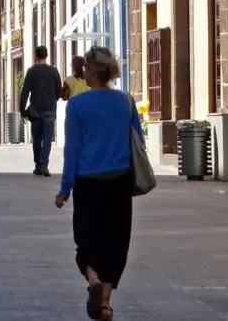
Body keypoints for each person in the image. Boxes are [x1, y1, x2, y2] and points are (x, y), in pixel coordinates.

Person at [55, 46, 142, 321]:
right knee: (116, 242)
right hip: (119, 181)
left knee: (87, 240)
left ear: (91, 72)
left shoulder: (77, 105)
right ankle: (104, 304)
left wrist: (64, 189)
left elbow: (72, 151)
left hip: (88, 183)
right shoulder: (126, 101)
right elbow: (138, 141)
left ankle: (92, 278)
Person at [19, 45, 64, 177]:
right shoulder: (53, 71)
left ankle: (38, 165)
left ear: (36, 56)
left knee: (37, 139)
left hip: (35, 110)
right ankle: (44, 165)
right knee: (47, 139)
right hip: (50, 109)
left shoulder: (31, 71)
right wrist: (52, 100)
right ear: (47, 55)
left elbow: (25, 92)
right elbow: (59, 91)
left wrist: (22, 111)